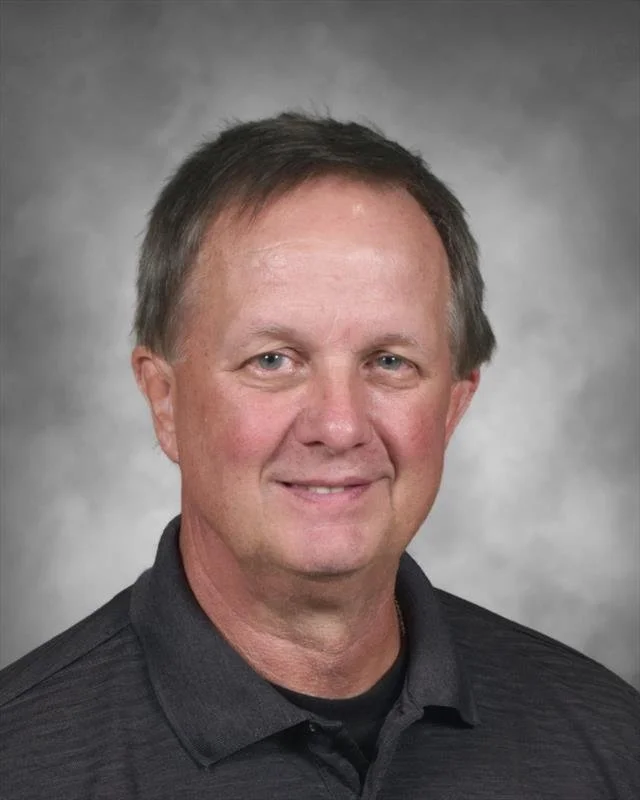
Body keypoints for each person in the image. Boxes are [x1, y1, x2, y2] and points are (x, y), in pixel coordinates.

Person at [0, 112, 638, 800]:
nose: (338, 426)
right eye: (273, 359)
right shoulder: (21, 763)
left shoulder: (609, 743)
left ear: (454, 405)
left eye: (389, 361)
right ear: (165, 400)